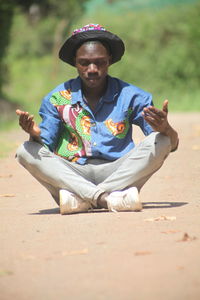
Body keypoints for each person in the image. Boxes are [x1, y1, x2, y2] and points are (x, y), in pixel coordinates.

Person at [16, 24, 179, 214]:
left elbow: (170, 145)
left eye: (100, 62)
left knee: (161, 140)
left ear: (109, 60)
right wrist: (34, 134)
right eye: (84, 62)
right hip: (73, 173)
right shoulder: (57, 99)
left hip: (119, 172)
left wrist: (166, 128)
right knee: (26, 151)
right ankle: (106, 199)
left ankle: (83, 199)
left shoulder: (133, 96)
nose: (92, 69)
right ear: (75, 63)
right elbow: (44, 148)